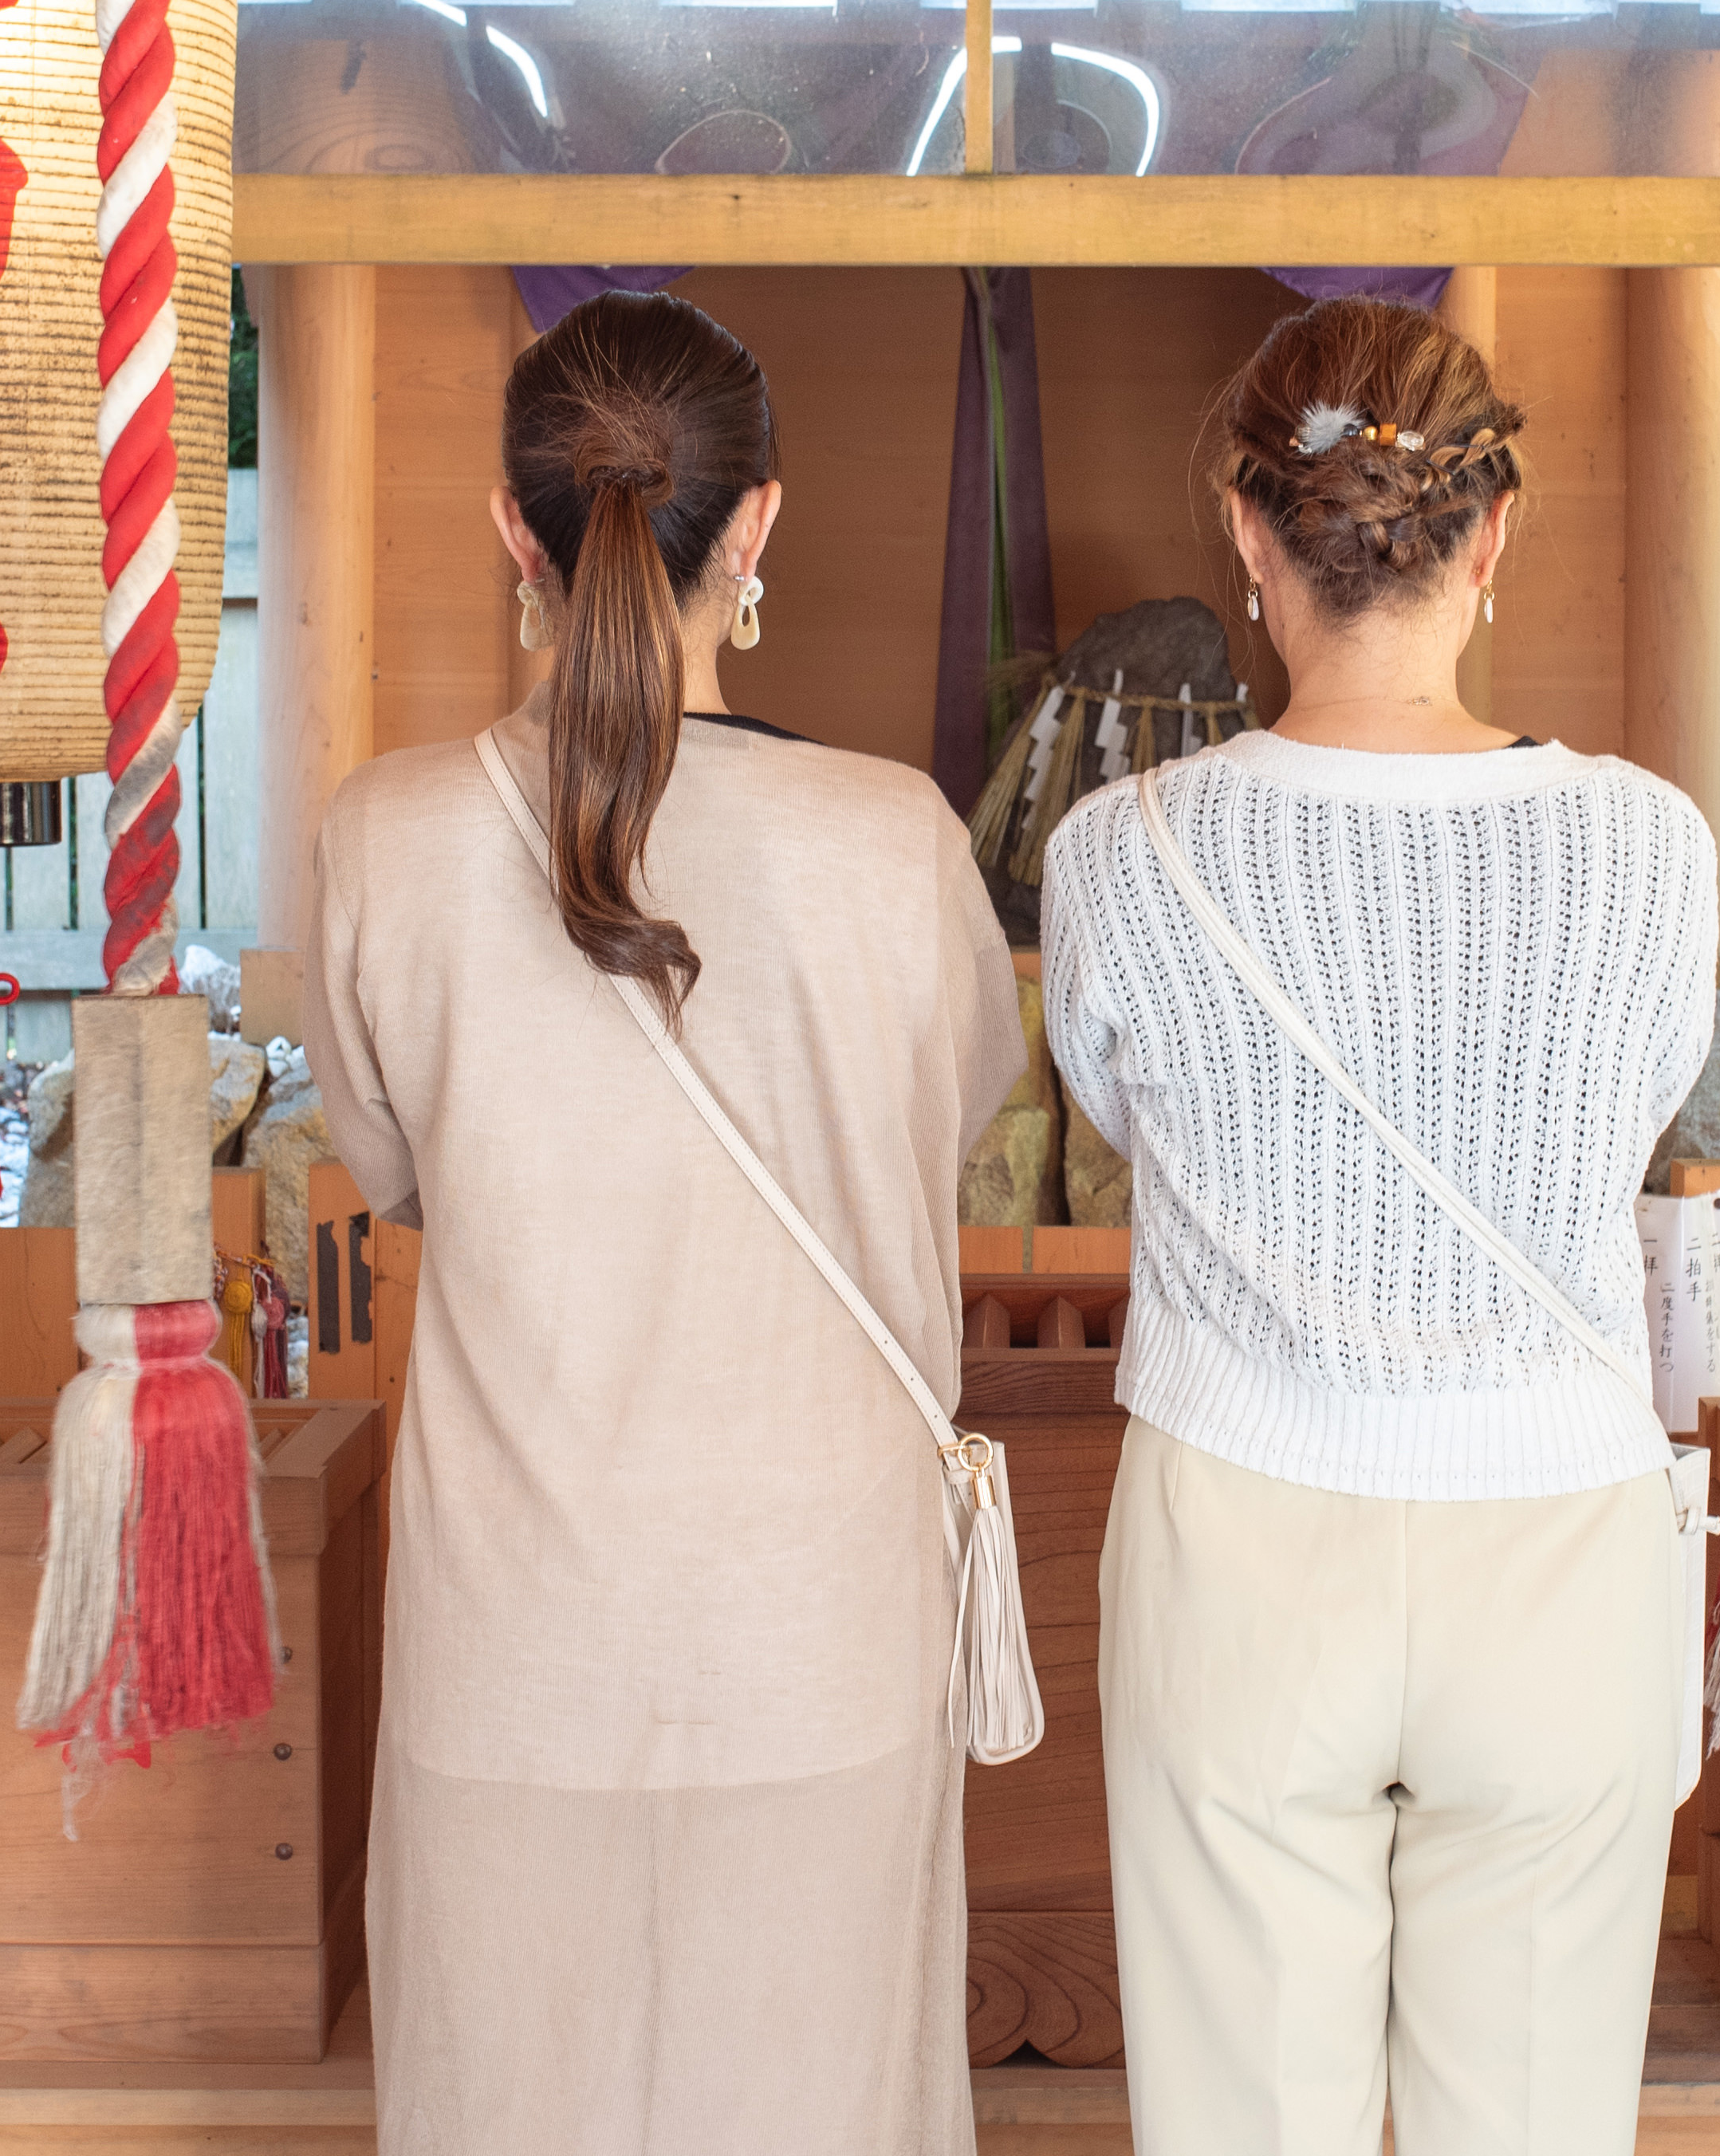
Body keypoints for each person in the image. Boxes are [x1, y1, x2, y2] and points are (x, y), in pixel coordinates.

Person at [308, 291, 1024, 2156]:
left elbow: (388, 1170)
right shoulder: (897, 843)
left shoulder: (382, 839)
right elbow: (939, 1128)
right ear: (760, 522)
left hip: (510, 1635)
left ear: (508, 526)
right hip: (818, 1623)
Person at [1041, 294, 1718, 2156]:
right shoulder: (1648, 843)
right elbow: (1633, 1105)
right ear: (1491, 538)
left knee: (1244, 2120)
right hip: (1557, 1535)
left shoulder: (1120, 851)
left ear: (1251, 538)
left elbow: (1115, 1109)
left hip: (1240, 1524)